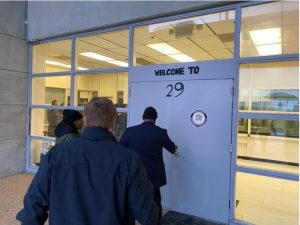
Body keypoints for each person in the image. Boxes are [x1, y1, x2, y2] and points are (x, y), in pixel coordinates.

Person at [16, 97, 158, 225]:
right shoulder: (129, 159)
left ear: (85, 120)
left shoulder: (57, 154)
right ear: (113, 123)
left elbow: (33, 207)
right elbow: (147, 214)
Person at [120, 106, 178, 225]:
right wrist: (176, 150)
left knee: (131, 199)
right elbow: (173, 149)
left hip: (134, 173)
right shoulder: (160, 132)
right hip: (154, 175)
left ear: (143, 117)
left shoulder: (130, 131)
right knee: (155, 201)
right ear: (155, 119)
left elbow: (120, 150)